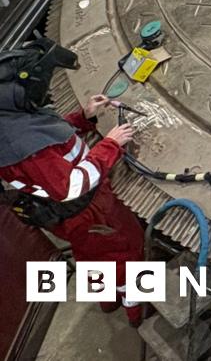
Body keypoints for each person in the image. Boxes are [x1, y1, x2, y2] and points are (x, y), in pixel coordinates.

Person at [0, 36, 144, 327]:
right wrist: (111, 144)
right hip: (88, 211)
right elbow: (70, 186)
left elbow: (47, 133)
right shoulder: (23, 144)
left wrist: (83, 117)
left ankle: (107, 300)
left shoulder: (11, 118)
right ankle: (137, 311)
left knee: (92, 256)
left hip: (70, 221)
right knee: (127, 253)